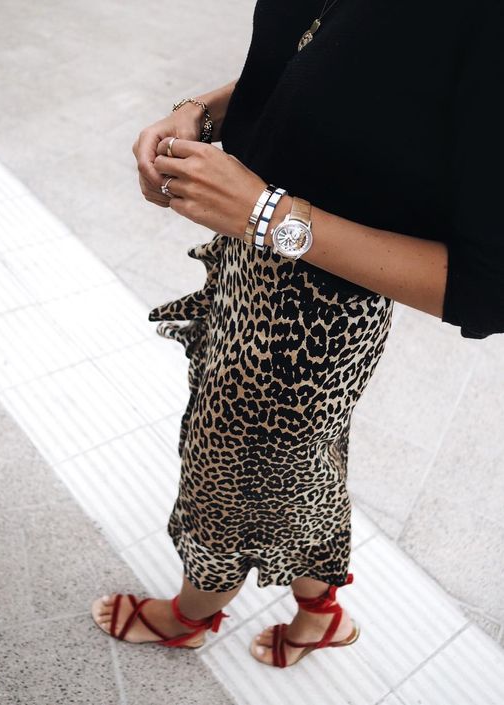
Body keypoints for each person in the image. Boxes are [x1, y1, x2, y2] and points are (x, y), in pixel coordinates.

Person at [91, 0, 504, 668]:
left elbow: (488, 287)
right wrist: (200, 112)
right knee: (303, 465)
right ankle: (319, 612)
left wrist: (269, 216)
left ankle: (188, 616)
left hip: (316, 308)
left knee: (225, 477)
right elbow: (322, 60)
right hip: (259, 247)